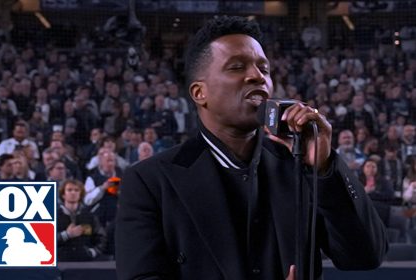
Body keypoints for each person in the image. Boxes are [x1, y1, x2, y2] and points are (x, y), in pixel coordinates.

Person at [116, 16, 387, 280]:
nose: (257, 76)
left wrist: (325, 167)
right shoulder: (149, 181)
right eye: (236, 67)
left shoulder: (298, 166)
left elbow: (364, 257)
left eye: (264, 69)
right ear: (200, 93)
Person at [57, 179, 107, 261]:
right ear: (63, 194)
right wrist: (67, 234)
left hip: (84, 263)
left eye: (76, 190)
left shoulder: (90, 216)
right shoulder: (54, 216)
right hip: (60, 261)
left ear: (80, 194)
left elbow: (101, 237)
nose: (73, 192)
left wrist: (93, 252)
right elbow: (45, 240)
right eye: (69, 190)